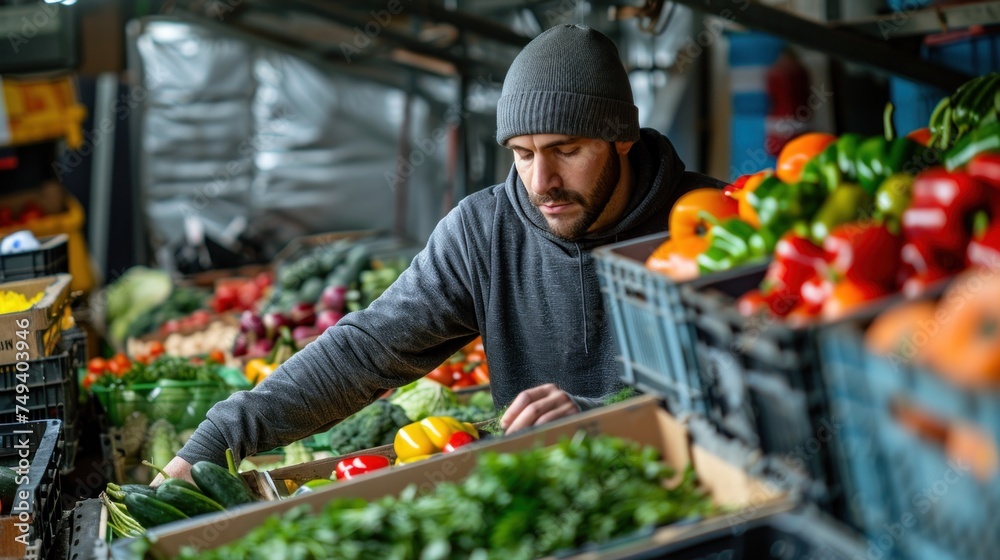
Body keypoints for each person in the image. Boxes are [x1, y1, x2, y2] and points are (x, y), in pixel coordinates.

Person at [155, 23, 724, 482]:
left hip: (691, 494)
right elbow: (365, 351)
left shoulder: (712, 221)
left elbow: (740, 389)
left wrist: (604, 419)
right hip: (543, 498)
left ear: (620, 136)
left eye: (566, 150)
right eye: (523, 154)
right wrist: (214, 441)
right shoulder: (484, 231)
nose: (541, 180)